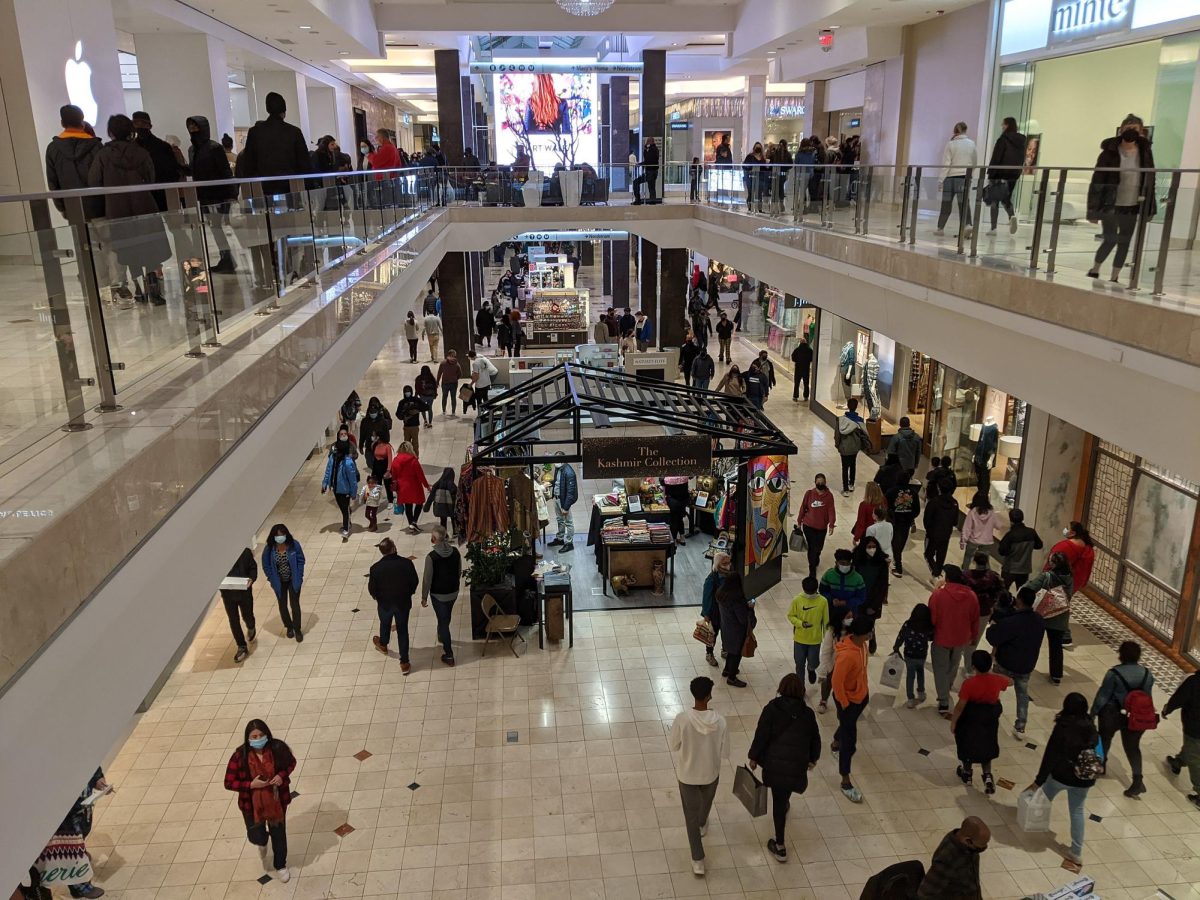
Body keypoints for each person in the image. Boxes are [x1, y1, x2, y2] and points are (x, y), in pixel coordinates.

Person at [88, 114, 169, 304]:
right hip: (144, 206)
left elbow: (94, 181)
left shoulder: (103, 155)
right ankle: (154, 291)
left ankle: (140, 291)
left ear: (111, 132)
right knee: (149, 249)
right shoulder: (141, 153)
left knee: (128, 251)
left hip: (117, 209)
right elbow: (150, 178)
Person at [748, 673, 821, 863]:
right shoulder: (807, 714)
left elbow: (761, 734)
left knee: (778, 802)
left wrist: (754, 756)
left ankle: (780, 846)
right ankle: (785, 805)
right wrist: (813, 759)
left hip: (774, 765)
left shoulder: (772, 709)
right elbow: (815, 739)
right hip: (796, 766)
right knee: (783, 795)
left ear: (781, 688)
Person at [1029, 693, 1099, 865]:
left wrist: (1039, 779)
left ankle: (1034, 823)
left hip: (1062, 774)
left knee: (1043, 796)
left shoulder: (1064, 726)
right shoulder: (1090, 724)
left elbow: (1051, 755)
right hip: (1084, 777)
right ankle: (1076, 851)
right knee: (1077, 811)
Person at [669, 676, 729, 876]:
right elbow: (726, 752)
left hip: (687, 775)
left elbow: (674, 745)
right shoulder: (720, 721)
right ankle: (704, 822)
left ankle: (698, 859)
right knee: (705, 804)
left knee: (690, 817)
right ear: (709, 696)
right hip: (711, 773)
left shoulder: (682, 719)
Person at [1086, 115, 1156, 281]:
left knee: (1124, 241)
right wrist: (1093, 210)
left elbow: (1150, 180)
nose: (1130, 133)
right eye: (1127, 129)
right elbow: (1097, 181)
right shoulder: (1109, 152)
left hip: (1132, 204)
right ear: (1121, 130)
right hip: (1110, 203)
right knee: (1110, 239)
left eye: (1135, 130)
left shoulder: (1145, 153)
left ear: (1141, 132)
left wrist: (1150, 206)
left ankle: (1115, 276)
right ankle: (1095, 269)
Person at [224, 720, 296, 882]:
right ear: (248, 738)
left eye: (261, 735)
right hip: (251, 804)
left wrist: (281, 776)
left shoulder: (277, 748)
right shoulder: (239, 756)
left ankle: (280, 865)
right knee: (255, 834)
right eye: (254, 736)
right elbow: (228, 783)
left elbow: (291, 763)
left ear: (267, 734)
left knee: (279, 835)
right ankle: (262, 841)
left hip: (276, 800)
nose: (258, 739)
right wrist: (250, 784)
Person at [1092, 640, 1154, 797]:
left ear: (1121, 655)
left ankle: (1099, 765)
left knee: (1103, 739)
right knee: (1133, 748)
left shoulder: (1114, 673)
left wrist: (1092, 713)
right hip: (1136, 716)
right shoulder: (1147, 674)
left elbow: (1103, 696)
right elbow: (1147, 697)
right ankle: (1137, 780)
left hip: (1112, 713)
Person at [986, 587, 1045, 735]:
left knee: (993, 686)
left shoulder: (1011, 621)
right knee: (1022, 693)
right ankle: (1021, 724)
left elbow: (993, 637)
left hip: (1006, 663)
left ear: (1019, 600)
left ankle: (988, 712)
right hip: (1026, 665)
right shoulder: (1039, 620)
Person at [185, 115, 240, 273]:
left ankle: (227, 259)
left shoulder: (214, 148)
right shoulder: (193, 150)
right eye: (190, 127)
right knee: (215, 229)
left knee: (218, 229)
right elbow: (195, 170)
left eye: (195, 127)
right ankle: (226, 259)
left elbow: (225, 172)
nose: (192, 130)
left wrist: (231, 194)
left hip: (217, 195)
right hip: (204, 196)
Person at [950, 650, 1010, 793]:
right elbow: (1010, 681)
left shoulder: (969, 683)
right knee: (986, 745)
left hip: (971, 718)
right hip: (989, 718)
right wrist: (994, 674)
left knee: (967, 743)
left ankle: (967, 772)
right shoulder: (996, 680)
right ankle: (987, 776)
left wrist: (953, 722)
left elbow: (960, 706)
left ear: (973, 666)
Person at [235, 92, 312, 195]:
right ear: (284, 111)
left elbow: (249, 165)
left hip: (264, 187)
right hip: (292, 187)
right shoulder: (294, 132)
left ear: (267, 109)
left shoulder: (255, 132)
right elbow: (304, 164)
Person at [929, 566, 980, 717]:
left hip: (942, 636)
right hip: (961, 638)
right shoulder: (971, 596)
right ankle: (948, 687)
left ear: (948, 578)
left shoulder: (938, 595)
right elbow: (975, 619)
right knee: (953, 665)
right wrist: (974, 637)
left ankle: (943, 699)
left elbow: (933, 618)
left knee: (940, 668)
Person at [831, 615, 872, 803]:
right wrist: (845, 704)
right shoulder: (847, 655)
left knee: (848, 725)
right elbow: (836, 682)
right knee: (850, 742)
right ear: (861, 633)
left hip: (860, 696)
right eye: (869, 631)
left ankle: (835, 743)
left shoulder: (861, 645)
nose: (872, 634)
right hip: (848, 700)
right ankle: (845, 780)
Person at [368, 537, 419, 672]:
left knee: (384, 623)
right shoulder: (406, 564)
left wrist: (378, 598)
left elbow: (372, 589)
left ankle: (383, 644)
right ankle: (404, 662)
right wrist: (409, 593)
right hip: (403, 602)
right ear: (394, 548)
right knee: (402, 630)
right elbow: (414, 581)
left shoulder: (375, 568)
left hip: (385, 604)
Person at [46, 104, 104, 219]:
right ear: (82, 122)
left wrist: (62, 208)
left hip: (71, 206)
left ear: (62, 123)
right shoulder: (96, 146)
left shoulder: (53, 148)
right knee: (103, 237)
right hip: (98, 206)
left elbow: (53, 182)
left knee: (79, 236)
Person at [1026, 551, 1074, 684]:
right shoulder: (1069, 578)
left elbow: (1030, 587)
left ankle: (1027, 668)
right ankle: (1056, 675)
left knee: (1035, 643)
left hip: (1043, 615)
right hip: (1060, 616)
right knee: (1056, 647)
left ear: (1054, 564)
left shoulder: (1046, 576)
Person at [916, 817, 990, 900]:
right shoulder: (947, 860)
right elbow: (925, 892)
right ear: (967, 841)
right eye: (979, 847)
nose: (982, 849)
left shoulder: (968, 847)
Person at [1049, 521, 1095, 647]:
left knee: (1060, 606)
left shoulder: (1065, 547)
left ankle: (1065, 635)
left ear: (1073, 533)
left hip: (1060, 581)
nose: (1065, 530)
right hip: (1074, 583)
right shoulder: (1088, 549)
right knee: (1059, 604)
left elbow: (1052, 563)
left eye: (1067, 528)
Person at [420, 524, 462, 666]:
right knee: (445, 616)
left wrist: (424, 596)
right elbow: (459, 571)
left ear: (434, 539)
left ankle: (449, 654)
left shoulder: (431, 557)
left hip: (438, 594)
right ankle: (441, 634)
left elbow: (427, 579)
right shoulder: (455, 552)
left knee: (443, 621)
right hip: (453, 591)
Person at [130, 111, 182, 212]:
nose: (140, 127)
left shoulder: (162, 146)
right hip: (142, 194)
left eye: (143, 124)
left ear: (149, 126)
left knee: (172, 223)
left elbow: (172, 171)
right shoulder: (131, 148)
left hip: (162, 192)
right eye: (137, 123)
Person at [962, 552, 1005, 671]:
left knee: (962, 634)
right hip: (984, 611)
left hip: (967, 610)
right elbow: (1000, 592)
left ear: (974, 561)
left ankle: (963, 656)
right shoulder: (994, 577)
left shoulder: (966, 575)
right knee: (974, 638)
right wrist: (992, 604)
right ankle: (969, 666)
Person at [1163, 670, 1200, 808]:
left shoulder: (1194, 681)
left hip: (1195, 726)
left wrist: (1168, 709)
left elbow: (1179, 698)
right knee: (1192, 748)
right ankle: (1178, 762)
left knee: (1194, 757)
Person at [262, 524, 305, 642]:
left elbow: (301, 560)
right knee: (282, 605)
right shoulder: (269, 549)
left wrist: (299, 575)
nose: (280, 538)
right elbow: (266, 565)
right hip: (279, 582)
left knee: (295, 605)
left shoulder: (293, 545)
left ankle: (297, 629)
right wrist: (271, 578)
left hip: (293, 579)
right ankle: (289, 626)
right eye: (277, 536)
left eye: (282, 535)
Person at [936, 121, 977, 237]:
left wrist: (941, 180)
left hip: (950, 178)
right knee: (964, 203)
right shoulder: (971, 144)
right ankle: (968, 225)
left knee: (946, 204)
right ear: (965, 130)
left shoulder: (950, 144)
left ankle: (940, 228)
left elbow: (946, 164)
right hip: (964, 178)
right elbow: (975, 162)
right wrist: (969, 174)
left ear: (955, 131)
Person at [985, 116, 1026, 233]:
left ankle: (993, 228)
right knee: (1006, 198)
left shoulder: (1003, 140)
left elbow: (996, 158)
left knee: (994, 200)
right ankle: (1012, 216)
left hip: (999, 173)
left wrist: (991, 174)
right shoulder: (1022, 142)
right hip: (1014, 174)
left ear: (1007, 125)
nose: (1002, 126)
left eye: (1003, 124)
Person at [716, 572, 755, 688]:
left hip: (726, 626)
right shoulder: (737, 599)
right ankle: (731, 678)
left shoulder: (721, 593)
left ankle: (727, 669)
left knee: (730, 650)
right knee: (736, 653)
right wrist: (750, 609)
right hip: (737, 630)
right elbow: (742, 619)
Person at [221, 547, 259, 663]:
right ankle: (241, 646)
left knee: (247, 616)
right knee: (233, 620)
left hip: (244, 593)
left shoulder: (245, 552)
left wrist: (251, 579)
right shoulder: (219, 556)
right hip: (228, 595)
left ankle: (251, 626)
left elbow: (253, 568)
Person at [788, 576, 828, 684]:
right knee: (799, 663)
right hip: (799, 638)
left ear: (816, 589)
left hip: (815, 639)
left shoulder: (823, 601)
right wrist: (800, 624)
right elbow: (791, 616)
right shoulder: (797, 600)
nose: (809, 595)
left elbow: (826, 621)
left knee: (814, 662)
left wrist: (827, 638)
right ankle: (801, 686)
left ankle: (811, 669)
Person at [894, 604, 934, 709]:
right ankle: (921, 692)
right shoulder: (928, 627)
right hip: (921, 655)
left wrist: (896, 647)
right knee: (920, 672)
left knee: (910, 676)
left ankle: (910, 698)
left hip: (909, 654)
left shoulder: (908, 624)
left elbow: (901, 636)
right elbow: (931, 638)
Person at [322, 430, 360, 538]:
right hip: (336, 487)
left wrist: (353, 492)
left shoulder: (348, 462)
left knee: (344, 509)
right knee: (343, 507)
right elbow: (328, 470)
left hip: (345, 489)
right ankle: (348, 522)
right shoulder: (332, 458)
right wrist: (325, 484)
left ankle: (346, 528)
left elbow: (352, 479)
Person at [797, 474, 836, 579]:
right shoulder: (809, 494)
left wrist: (831, 524)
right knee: (812, 548)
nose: (820, 484)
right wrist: (799, 521)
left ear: (825, 482)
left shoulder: (829, 496)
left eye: (822, 482)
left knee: (818, 547)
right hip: (808, 525)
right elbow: (803, 507)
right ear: (815, 482)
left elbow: (831, 511)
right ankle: (812, 568)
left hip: (821, 527)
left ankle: (816, 556)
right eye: (818, 482)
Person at [388, 441, 430, 533]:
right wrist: (427, 486)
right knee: (419, 503)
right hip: (414, 486)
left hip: (402, 487)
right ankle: (414, 522)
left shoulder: (396, 460)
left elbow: (393, 475)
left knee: (408, 505)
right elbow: (420, 475)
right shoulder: (413, 460)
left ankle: (411, 523)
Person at [885, 473, 922, 577]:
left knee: (895, 541)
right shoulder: (913, 493)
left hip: (894, 520)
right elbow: (917, 509)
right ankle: (897, 560)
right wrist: (911, 517)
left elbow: (885, 505)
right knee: (901, 541)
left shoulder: (891, 491)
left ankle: (898, 565)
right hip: (906, 521)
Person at [997, 508, 1043, 588]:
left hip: (1010, 569)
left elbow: (1002, 551)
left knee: (1003, 591)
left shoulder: (1010, 535)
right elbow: (1039, 545)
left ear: (1011, 520)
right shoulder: (1031, 532)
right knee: (1021, 593)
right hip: (1024, 569)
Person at [834, 398, 871, 497]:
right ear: (856, 407)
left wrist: (837, 445)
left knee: (844, 467)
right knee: (853, 464)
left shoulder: (841, 420)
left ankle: (845, 489)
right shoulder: (860, 421)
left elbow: (837, 435)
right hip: (855, 448)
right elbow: (865, 435)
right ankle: (851, 484)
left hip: (844, 448)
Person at [923, 483, 960, 578]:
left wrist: (928, 529)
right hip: (946, 533)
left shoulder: (934, 502)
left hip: (933, 533)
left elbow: (927, 519)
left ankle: (936, 573)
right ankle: (938, 572)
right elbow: (955, 521)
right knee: (941, 555)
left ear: (939, 489)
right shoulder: (954, 503)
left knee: (928, 554)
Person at [700, 553, 730, 668]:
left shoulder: (730, 576)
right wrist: (706, 614)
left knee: (726, 632)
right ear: (718, 564)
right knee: (713, 633)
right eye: (724, 563)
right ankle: (709, 653)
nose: (728, 565)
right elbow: (706, 597)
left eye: (729, 562)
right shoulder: (712, 579)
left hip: (727, 611)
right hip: (715, 612)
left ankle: (725, 650)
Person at [549, 455, 578, 553]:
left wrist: (565, 507)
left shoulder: (569, 473)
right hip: (557, 498)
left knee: (568, 522)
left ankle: (569, 543)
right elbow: (558, 482)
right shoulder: (559, 468)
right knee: (559, 519)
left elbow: (570, 493)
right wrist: (550, 483)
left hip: (564, 500)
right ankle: (560, 538)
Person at [959, 492, 996, 566]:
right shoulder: (991, 511)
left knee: (968, 557)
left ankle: (965, 573)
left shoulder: (973, 512)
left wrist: (963, 541)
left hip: (974, 540)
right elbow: (997, 524)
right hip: (987, 540)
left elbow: (967, 528)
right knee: (984, 560)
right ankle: (985, 575)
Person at [423, 466, 458, 536]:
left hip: (440, 507)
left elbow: (431, 497)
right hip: (451, 507)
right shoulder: (452, 485)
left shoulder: (437, 484)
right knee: (454, 519)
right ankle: (455, 532)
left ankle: (444, 535)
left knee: (443, 520)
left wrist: (426, 507)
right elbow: (457, 496)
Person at [632, 136, 660, 204]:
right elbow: (649, 160)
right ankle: (652, 201)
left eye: (648, 141)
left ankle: (639, 200)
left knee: (637, 182)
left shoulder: (652, 149)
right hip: (652, 171)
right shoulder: (654, 149)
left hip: (650, 171)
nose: (646, 142)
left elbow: (648, 160)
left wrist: (640, 164)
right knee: (651, 187)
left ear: (651, 142)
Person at [435, 349, 462, 416]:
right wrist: (455, 378)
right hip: (454, 383)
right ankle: (453, 412)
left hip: (445, 383)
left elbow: (439, 373)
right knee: (453, 398)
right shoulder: (457, 364)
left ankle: (444, 411)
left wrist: (437, 381)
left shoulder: (443, 363)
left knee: (444, 397)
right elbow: (460, 374)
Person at [742, 142, 765, 210]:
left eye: (759, 147)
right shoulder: (750, 156)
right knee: (750, 192)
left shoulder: (763, 158)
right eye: (756, 147)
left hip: (760, 177)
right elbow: (745, 166)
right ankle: (750, 206)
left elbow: (764, 167)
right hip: (750, 177)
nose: (758, 149)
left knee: (759, 193)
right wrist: (749, 169)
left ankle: (759, 208)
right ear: (754, 148)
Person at [790, 336, 813, 401]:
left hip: (798, 368)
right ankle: (806, 396)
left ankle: (795, 396)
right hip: (806, 369)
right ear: (806, 342)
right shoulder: (810, 350)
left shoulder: (797, 350)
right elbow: (812, 358)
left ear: (800, 343)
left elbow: (793, 358)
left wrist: (798, 361)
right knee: (806, 384)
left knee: (797, 383)